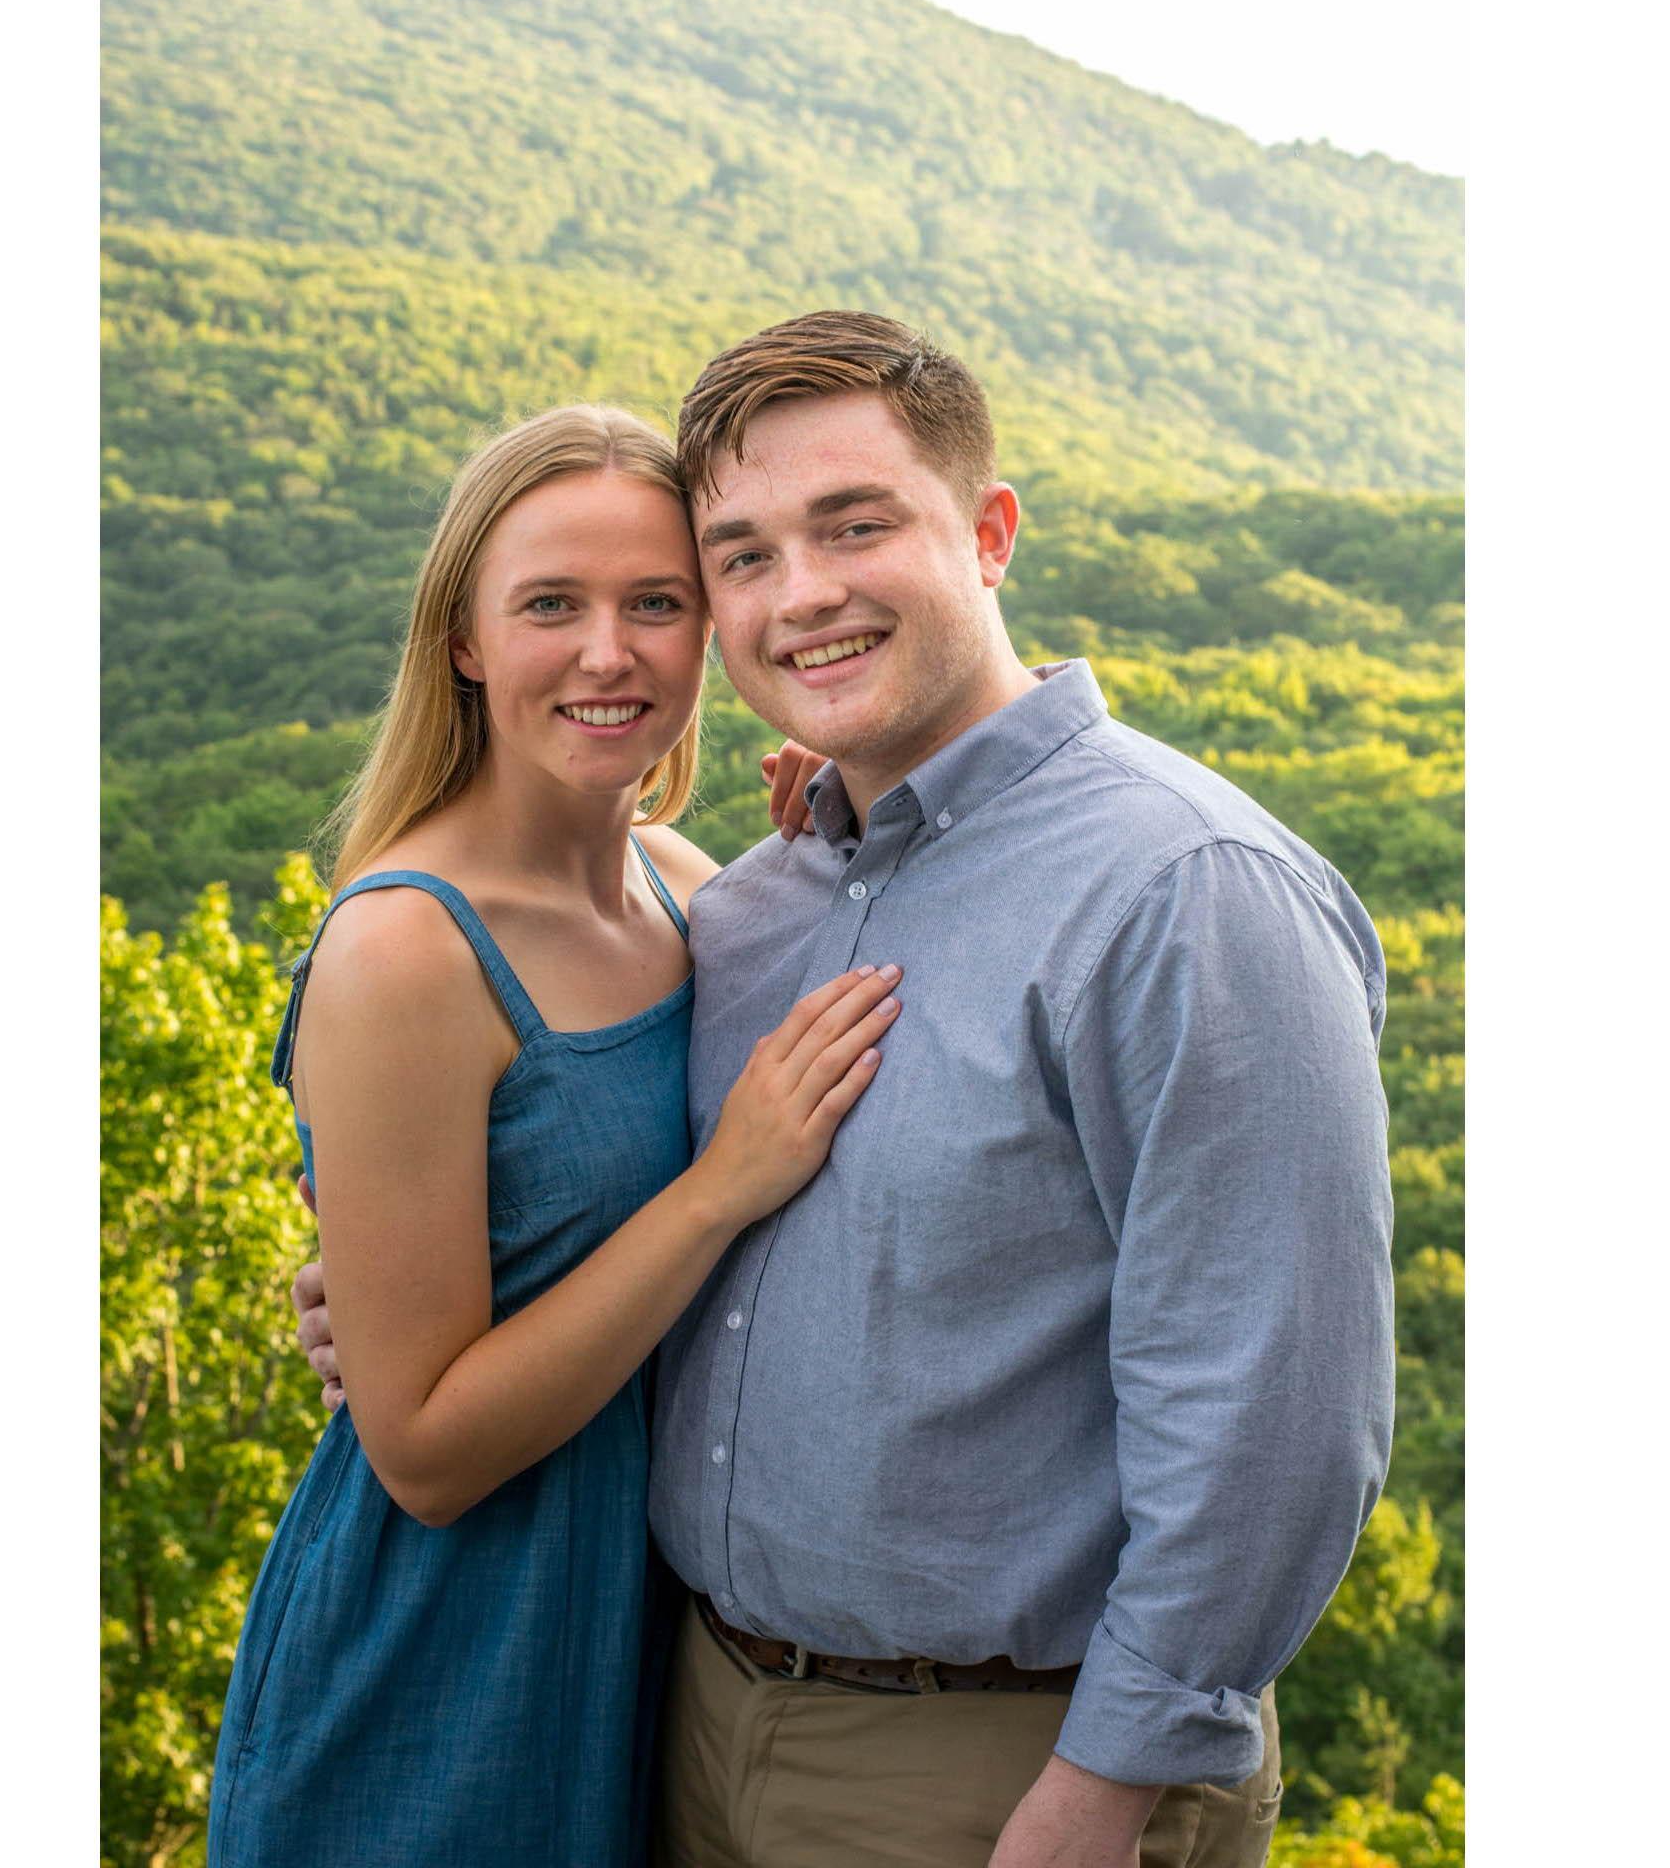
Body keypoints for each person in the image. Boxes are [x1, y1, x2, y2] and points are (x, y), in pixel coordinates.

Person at [296, 314, 1396, 1868]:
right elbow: (577, 1176)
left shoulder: (1187, 894)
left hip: (1003, 1763)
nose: (799, 593)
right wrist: (401, 1294)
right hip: (672, 1716)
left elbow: (1277, 1420)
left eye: (853, 525)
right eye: (740, 556)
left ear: (991, 531)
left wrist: (1106, 1788)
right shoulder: (752, 906)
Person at [207, 403, 905, 1868]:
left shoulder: (677, 880)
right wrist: (717, 1192)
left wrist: (838, 813)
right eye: (551, 606)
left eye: (657, 602)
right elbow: (426, 1456)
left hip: (656, 1645)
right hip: (448, 1652)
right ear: (462, 637)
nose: (611, 652)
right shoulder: (410, 948)